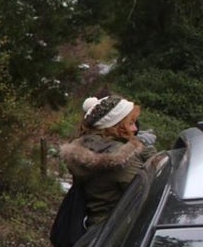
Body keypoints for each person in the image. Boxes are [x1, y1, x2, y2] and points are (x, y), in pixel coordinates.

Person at [60, 94, 157, 228]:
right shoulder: (123, 159)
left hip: (95, 227)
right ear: (115, 126)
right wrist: (145, 148)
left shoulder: (86, 147)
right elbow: (151, 192)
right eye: (130, 123)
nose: (135, 129)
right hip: (121, 229)